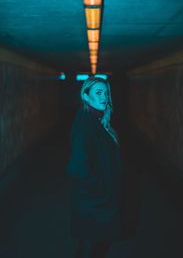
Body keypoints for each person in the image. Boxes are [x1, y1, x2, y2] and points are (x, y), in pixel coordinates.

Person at [66, 76, 122, 258]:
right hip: (94, 202)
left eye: (106, 93)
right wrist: (102, 190)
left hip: (96, 201)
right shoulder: (84, 125)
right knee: (92, 248)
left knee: (90, 247)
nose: (104, 97)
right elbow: (77, 168)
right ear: (86, 96)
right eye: (98, 93)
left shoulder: (96, 121)